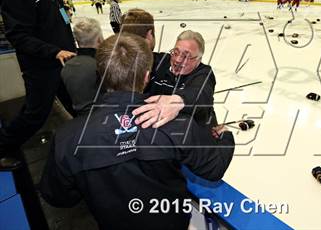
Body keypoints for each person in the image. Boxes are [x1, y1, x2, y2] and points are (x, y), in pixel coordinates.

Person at [40, 34, 235, 230]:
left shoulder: (68, 137)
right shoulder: (177, 125)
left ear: (100, 74)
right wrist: (226, 135)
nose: (177, 59)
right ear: (146, 76)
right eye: (175, 52)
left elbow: (58, 196)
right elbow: (214, 168)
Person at [0, 0, 76, 170]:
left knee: (77, 103)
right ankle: (2, 149)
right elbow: (18, 36)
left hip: (64, 60)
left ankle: (88, 143)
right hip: (42, 66)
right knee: (35, 114)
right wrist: (54, 51)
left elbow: (60, 20)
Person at [133, 30, 218, 130]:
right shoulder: (160, 61)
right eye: (175, 53)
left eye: (186, 56)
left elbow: (201, 93)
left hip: (186, 135)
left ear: (198, 59)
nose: (177, 60)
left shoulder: (204, 73)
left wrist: (177, 102)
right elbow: (130, 57)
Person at [61, 17, 104, 116]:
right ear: (99, 40)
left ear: (76, 40)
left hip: (79, 117)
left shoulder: (66, 66)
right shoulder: (101, 65)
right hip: (102, 117)